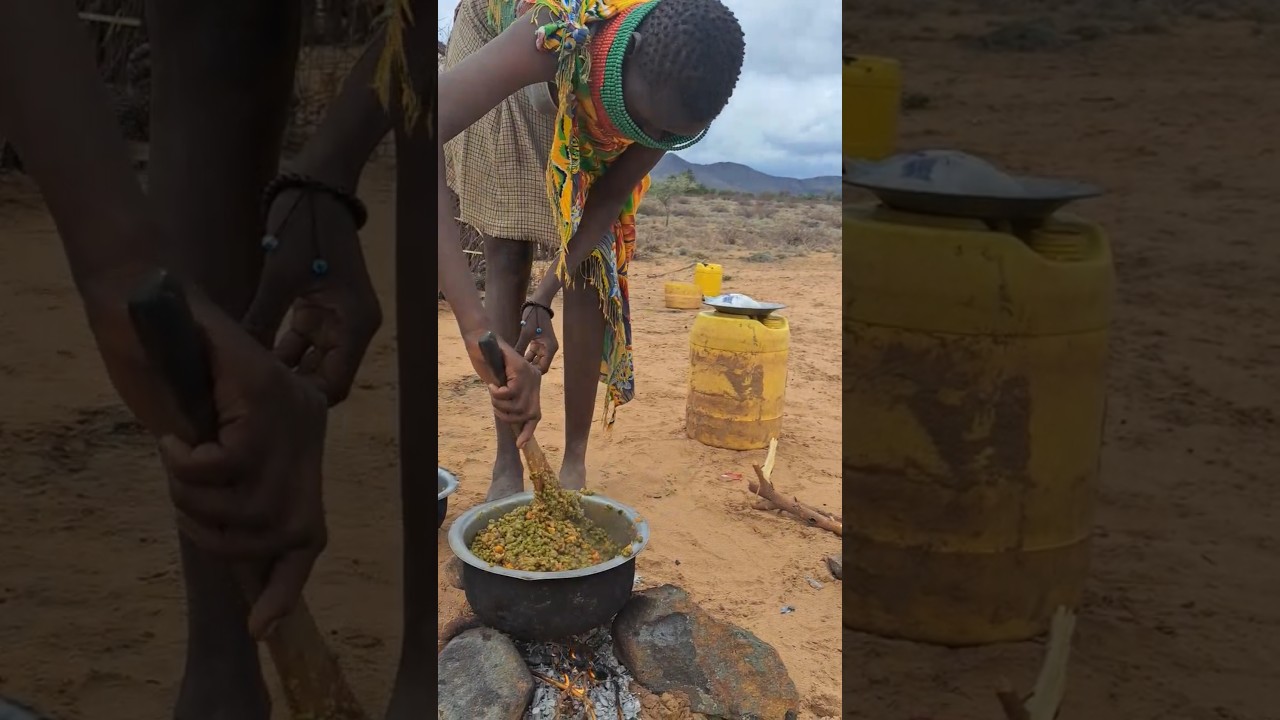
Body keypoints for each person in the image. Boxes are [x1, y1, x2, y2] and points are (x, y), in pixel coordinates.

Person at [438, 0, 746, 500]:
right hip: (505, 35)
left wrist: (542, 300)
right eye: (645, 123)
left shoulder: (677, 88)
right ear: (628, 56)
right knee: (508, 247)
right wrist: (476, 330)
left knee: (591, 264)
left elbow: (601, 207)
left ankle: (574, 462)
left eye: (670, 136)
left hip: (596, 84)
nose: (649, 140)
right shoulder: (553, 31)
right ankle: (506, 462)